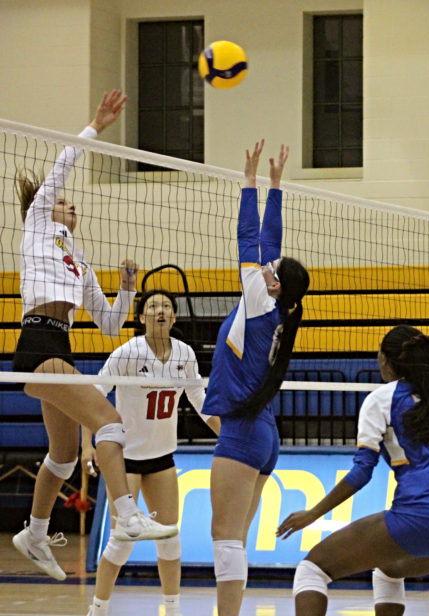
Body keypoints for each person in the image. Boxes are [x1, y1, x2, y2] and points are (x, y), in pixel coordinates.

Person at [10, 90, 177, 582]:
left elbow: (108, 324)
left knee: (62, 455)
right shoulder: (37, 225)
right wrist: (96, 126)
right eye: (62, 201)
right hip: (37, 343)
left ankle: (34, 533)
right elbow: (63, 166)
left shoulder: (79, 263)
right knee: (109, 422)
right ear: (44, 209)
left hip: (60, 344)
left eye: (70, 203)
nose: (69, 204)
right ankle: (126, 516)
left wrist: (127, 289)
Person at [277, 324, 429, 616]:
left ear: (387, 359)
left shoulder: (382, 399)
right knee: (388, 571)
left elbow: (362, 472)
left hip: (419, 517)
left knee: (312, 570)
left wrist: (312, 514)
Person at [204, 140, 310, 616]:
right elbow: (273, 245)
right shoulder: (278, 310)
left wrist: (247, 183)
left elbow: (251, 238)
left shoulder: (258, 298)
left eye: (268, 270)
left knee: (225, 541)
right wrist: (275, 187)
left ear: (272, 283)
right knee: (234, 542)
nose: (263, 264)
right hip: (262, 433)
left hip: (245, 434)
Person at [80, 289, 221, 616]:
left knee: (170, 540)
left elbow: (201, 402)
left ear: (173, 317)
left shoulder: (185, 354)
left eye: (167, 307)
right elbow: (91, 399)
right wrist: (87, 445)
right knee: (122, 542)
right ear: (141, 316)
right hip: (125, 461)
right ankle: (97, 610)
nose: (161, 311)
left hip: (161, 460)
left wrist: (227, 437)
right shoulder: (128, 353)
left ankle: (172, 610)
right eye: (153, 306)